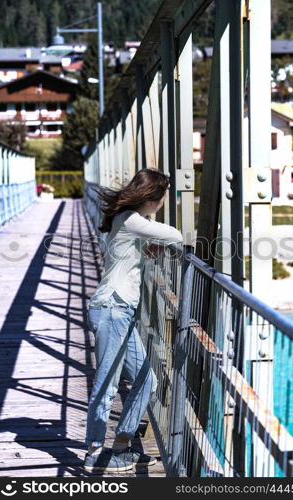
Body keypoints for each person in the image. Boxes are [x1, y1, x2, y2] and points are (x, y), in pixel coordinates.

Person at [84, 168, 183, 473]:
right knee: (108, 383)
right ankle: (95, 454)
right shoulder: (133, 220)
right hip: (113, 308)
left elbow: (138, 249)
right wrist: (151, 236)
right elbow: (176, 236)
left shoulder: (126, 219)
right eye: (164, 195)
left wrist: (145, 244)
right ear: (155, 196)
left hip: (120, 310)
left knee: (146, 381)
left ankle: (123, 445)